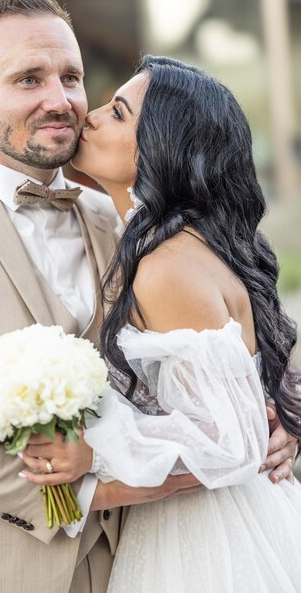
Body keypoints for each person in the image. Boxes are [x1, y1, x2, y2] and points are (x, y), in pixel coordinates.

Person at [0, 0, 295, 592]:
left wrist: (280, 418)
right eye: (28, 78)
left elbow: (236, 343)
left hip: (139, 562)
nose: (60, 100)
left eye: (71, 77)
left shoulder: (128, 224)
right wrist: (99, 485)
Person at [21, 56, 301, 592]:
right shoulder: (168, 247)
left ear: (162, 149)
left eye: (118, 112)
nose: (93, 116)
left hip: (210, 541)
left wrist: (94, 453)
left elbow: (231, 440)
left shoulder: (166, 266)